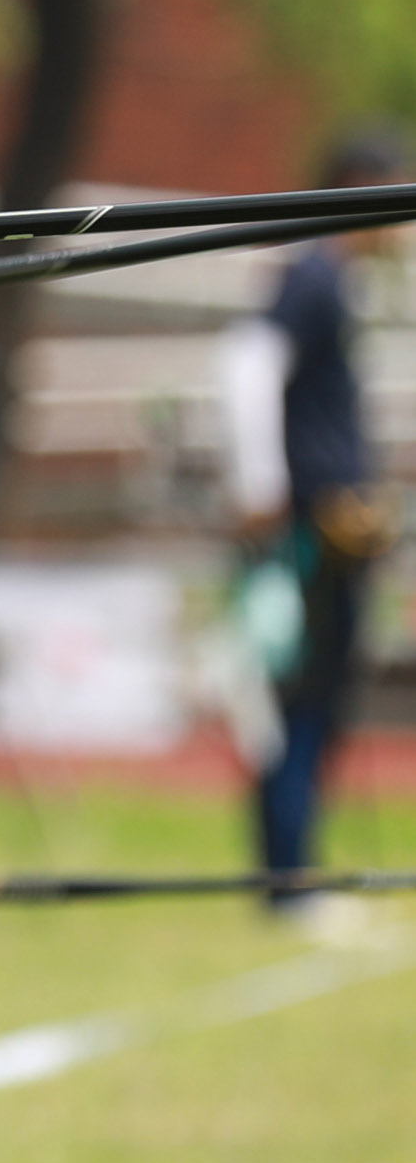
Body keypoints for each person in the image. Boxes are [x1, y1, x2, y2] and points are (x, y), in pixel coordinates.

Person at [229, 126, 409, 904]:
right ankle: (288, 879)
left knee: (317, 701)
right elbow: (245, 367)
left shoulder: (332, 281)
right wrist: (263, 487)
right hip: (308, 526)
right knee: (300, 698)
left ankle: (295, 870)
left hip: (323, 523)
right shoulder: (314, 276)